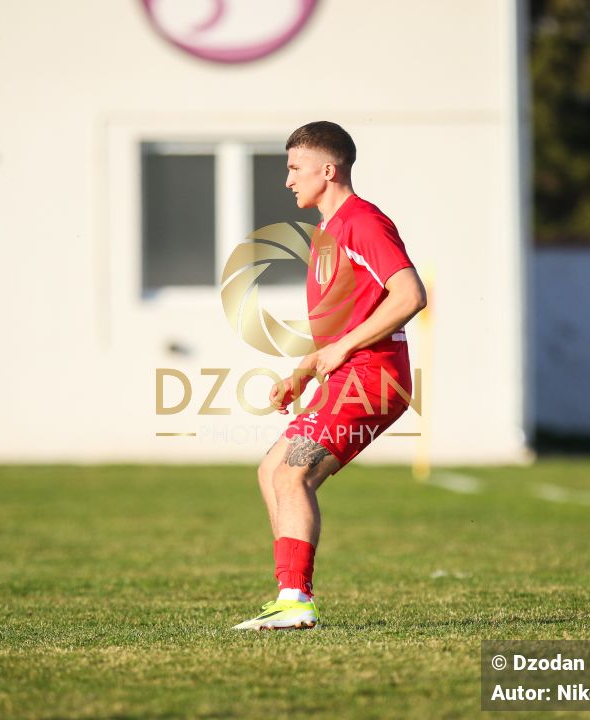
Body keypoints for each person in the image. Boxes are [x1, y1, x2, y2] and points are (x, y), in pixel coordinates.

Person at [233, 121, 427, 631]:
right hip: (348, 375)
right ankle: (288, 594)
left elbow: (410, 296)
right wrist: (301, 372)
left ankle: (296, 599)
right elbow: (339, 322)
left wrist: (342, 348)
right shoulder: (324, 235)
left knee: (293, 472)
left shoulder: (362, 222)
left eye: (295, 168)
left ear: (328, 169)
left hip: (375, 377)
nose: (288, 180)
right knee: (272, 470)